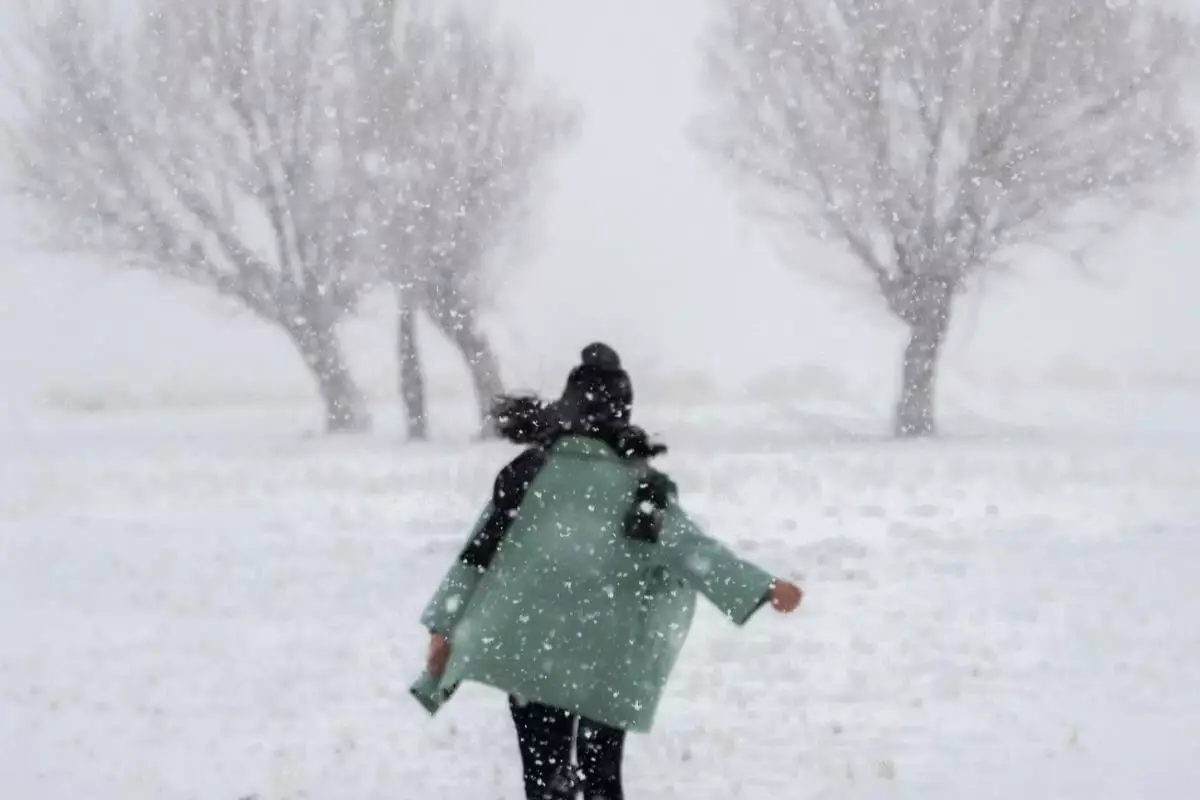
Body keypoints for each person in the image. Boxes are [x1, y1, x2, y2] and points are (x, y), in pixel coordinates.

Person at [414, 343, 803, 800]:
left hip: (533, 653)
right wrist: (763, 587)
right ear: (623, 413)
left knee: (544, 779)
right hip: (603, 661)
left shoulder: (527, 474)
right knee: (602, 779)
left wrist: (443, 627)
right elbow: (693, 552)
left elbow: (476, 556)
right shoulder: (642, 490)